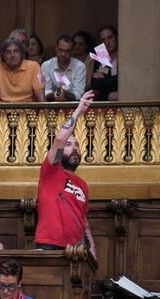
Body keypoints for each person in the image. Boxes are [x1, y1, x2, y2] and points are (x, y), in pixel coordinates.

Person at [34, 90, 96, 258]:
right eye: (69, 145)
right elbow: (59, 139)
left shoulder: (82, 184)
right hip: (49, 246)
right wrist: (79, 110)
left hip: (76, 249)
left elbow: (83, 221)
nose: (74, 148)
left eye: (76, 145)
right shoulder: (51, 171)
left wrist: (92, 249)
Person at [41, 34, 86, 101]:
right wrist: (54, 94)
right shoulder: (45, 66)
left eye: (67, 51)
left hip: (73, 105)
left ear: (72, 51)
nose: (63, 54)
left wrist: (65, 93)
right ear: (56, 49)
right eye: (60, 50)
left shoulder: (80, 67)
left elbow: (79, 93)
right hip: (51, 104)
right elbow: (44, 90)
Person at [90, 25, 118, 101]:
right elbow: (95, 83)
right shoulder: (101, 54)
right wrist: (113, 80)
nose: (107, 42)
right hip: (105, 98)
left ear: (116, 37)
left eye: (110, 37)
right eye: (103, 40)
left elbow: (124, 80)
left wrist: (106, 79)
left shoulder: (123, 54)